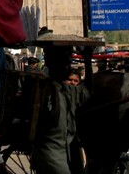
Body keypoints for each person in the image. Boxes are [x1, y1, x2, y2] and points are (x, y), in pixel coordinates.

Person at [31, 44, 92, 174]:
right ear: (54, 64)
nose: (68, 68)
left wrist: (87, 61)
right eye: (66, 63)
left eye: (69, 63)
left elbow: (86, 91)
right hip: (51, 155)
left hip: (64, 151)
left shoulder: (64, 90)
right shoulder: (45, 91)